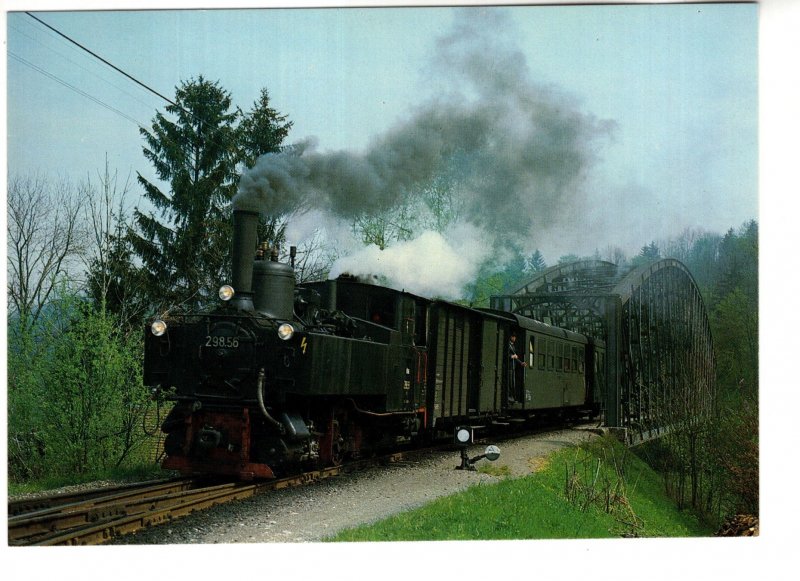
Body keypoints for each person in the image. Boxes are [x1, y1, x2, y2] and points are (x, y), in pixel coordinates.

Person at [508, 332, 526, 403]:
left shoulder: (513, 346)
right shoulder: (508, 345)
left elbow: (515, 357)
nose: (514, 338)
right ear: (510, 337)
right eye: (513, 336)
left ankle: (512, 397)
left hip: (513, 367)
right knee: (510, 382)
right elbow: (507, 355)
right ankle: (509, 397)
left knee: (512, 382)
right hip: (509, 366)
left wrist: (521, 363)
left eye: (515, 337)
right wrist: (512, 356)